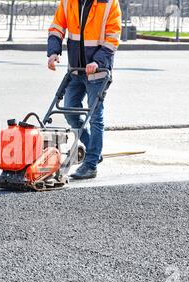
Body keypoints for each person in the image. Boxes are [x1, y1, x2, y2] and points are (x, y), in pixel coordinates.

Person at [47, 0, 122, 179]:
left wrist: (98, 61)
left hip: (97, 71)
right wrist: (53, 52)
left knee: (95, 116)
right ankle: (93, 151)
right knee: (70, 112)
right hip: (75, 70)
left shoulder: (109, 3)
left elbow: (113, 38)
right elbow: (56, 27)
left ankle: (91, 165)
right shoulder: (68, 2)